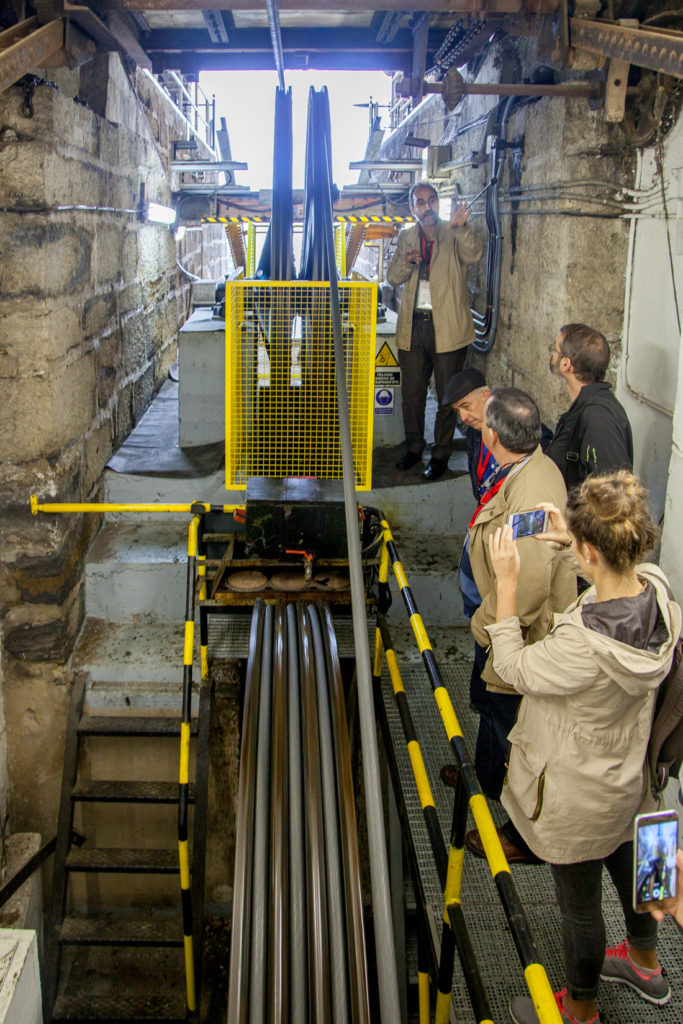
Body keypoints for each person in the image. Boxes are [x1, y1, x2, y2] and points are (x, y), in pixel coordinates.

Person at [484, 471, 680, 1024]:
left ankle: (581, 1010)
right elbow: (614, 581)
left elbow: (513, 666)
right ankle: (645, 964)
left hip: (578, 793)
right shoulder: (660, 592)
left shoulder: (581, 646)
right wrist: (576, 543)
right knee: (642, 863)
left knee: (580, 909)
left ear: (592, 549)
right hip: (634, 778)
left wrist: (505, 583)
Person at [461, 388, 576, 863]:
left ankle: (520, 833)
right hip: (498, 624)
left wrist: (489, 630)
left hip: (515, 635)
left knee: (515, 726)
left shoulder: (532, 491)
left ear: (492, 435)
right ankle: (486, 781)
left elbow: (527, 585)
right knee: (490, 709)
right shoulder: (524, 468)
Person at [387, 182, 484, 481]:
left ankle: (440, 454)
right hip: (414, 327)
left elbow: (475, 254)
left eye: (431, 201)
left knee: (447, 395)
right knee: (412, 394)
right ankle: (415, 447)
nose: (426, 207)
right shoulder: (406, 237)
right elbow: (392, 277)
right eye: (420, 202)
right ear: (413, 207)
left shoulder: (453, 231)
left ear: (438, 204)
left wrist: (461, 228)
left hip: (449, 327)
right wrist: (407, 261)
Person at [442, 369, 554, 502]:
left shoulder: (531, 435)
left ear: (485, 395)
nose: (463, 417)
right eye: (457, 411)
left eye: (466, 406)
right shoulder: (473, 432)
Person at [546, 323, 633, 488]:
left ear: (566, 364)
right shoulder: (585, 407)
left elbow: (614, 494)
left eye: (555, 349)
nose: (552, 354)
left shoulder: (598, 418)